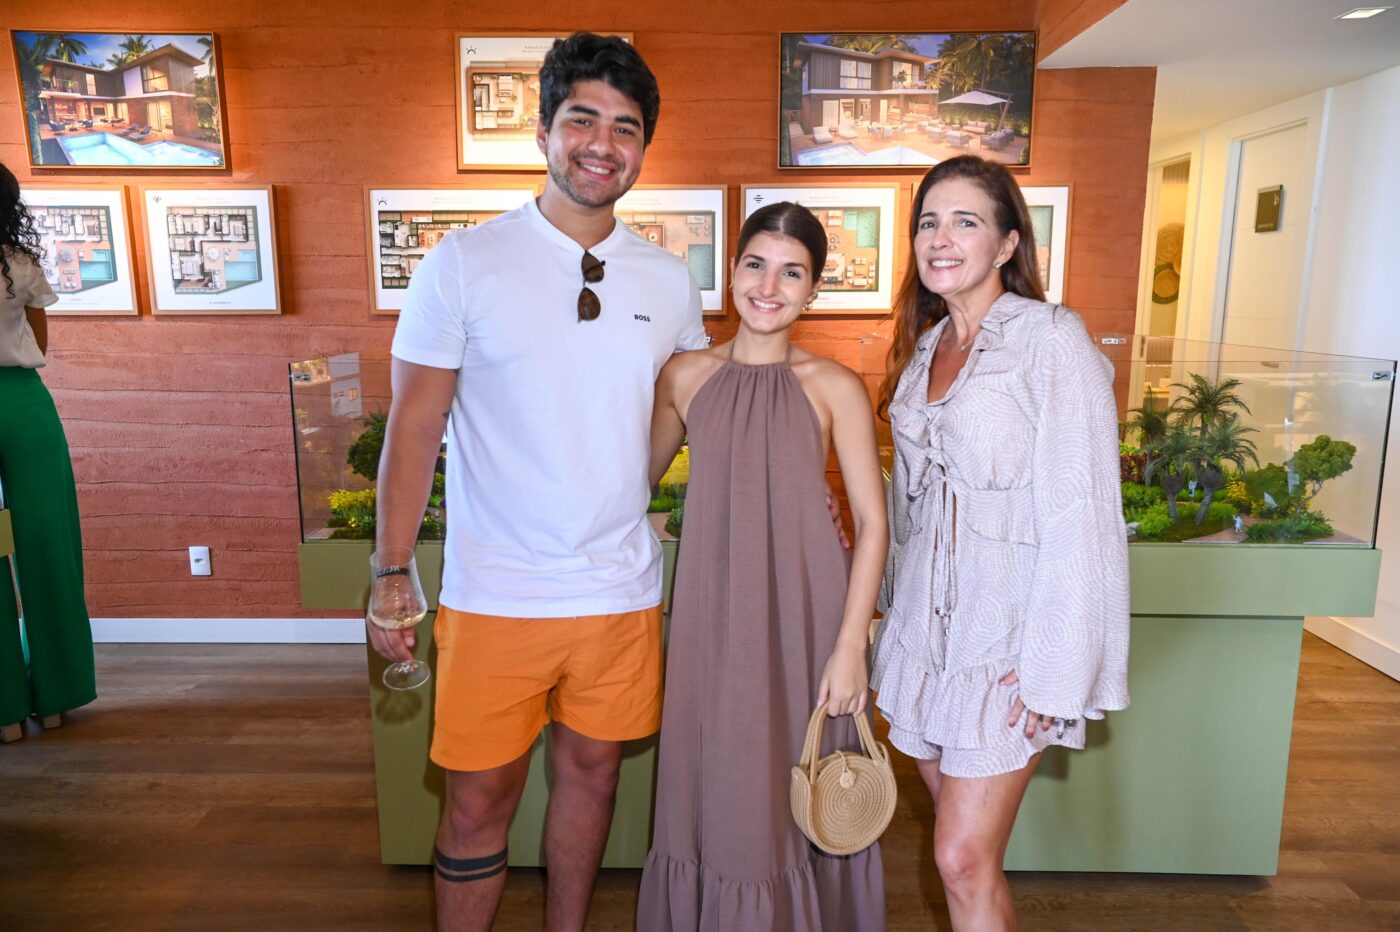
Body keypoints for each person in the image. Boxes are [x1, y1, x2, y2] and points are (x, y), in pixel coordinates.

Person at [369, 34, 708, 932]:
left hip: (619, 589)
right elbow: (414, 426)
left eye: (626, 128)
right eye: (582, 119)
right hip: (498, 591)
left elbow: (683, 410)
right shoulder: (464, 261)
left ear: (644, 146)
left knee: (593, 777)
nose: (602, 144)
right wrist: (391, 570)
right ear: (545, 131)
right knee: (478, 799)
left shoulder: (669, 279)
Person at [872, 155, 1130, 931]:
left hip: (1005, 641)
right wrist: (886, 616)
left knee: (961, 857)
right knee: (961, 856)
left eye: (966, 221)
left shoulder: (1051, 339)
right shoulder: (925, 349)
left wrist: (1054, 665)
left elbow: (1084, 512)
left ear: (1009, 243)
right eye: (928, 222)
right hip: (923, 641)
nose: (940, 238)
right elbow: (911, 510)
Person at [637, 202, 888, 932]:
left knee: (810, 783)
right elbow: (632, 487)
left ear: (814, 289)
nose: (768, 287)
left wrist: (852, 646)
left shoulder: (834, 384)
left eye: (791, 273)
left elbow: (874, 523)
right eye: (756, 265)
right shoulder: (685, 376)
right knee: (723, 776)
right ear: (731, 271)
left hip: (809, 616)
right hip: (713, 616)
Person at [0, 161, 96, 742]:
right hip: (22, 401)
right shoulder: (19, 261)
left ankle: (5, 710)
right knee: (48, 545)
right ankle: (56, 695)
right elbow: (40, 342)